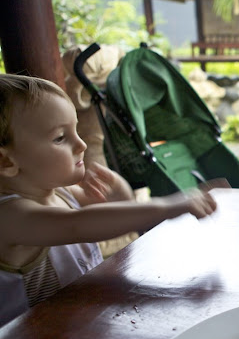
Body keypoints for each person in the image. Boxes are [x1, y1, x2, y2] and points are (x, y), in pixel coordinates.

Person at [0, 74, 221, 326]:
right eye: (60, 137)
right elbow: (78, 225)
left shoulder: (60, 193)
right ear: (6, 161)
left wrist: (120, 193)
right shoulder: (10, 217)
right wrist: (168, 205)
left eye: (76, 130)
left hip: (75, 322)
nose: (81, 144)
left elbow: (112, 217)